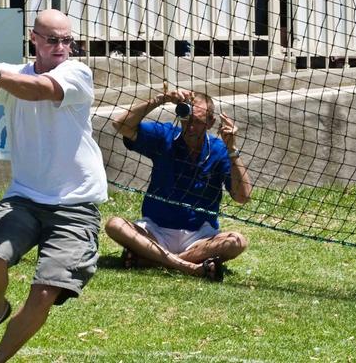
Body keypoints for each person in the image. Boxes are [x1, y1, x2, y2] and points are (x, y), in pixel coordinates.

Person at [0, 9, 108, 362]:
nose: (61, 47)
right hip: (24, 197)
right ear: (35, 39)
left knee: (44, 294)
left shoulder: (77, 72)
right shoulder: (14, 71)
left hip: (76, 204)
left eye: (67, 40)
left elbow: (40, 90)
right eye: (53, 39)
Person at [106, 89, 252, 281]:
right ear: (181, 114)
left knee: (237, 241)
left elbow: (243, 197)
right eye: (187, 119)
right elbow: (121, 124)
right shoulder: (165, 136)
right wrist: (161, 99)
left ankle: (152, 260)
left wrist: (232, 149)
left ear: (210, 123)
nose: (190, 127)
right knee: (114, 224)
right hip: (155, 231)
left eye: (198, 122)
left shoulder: (219, 149)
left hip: (199, 237)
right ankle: (188, 267)